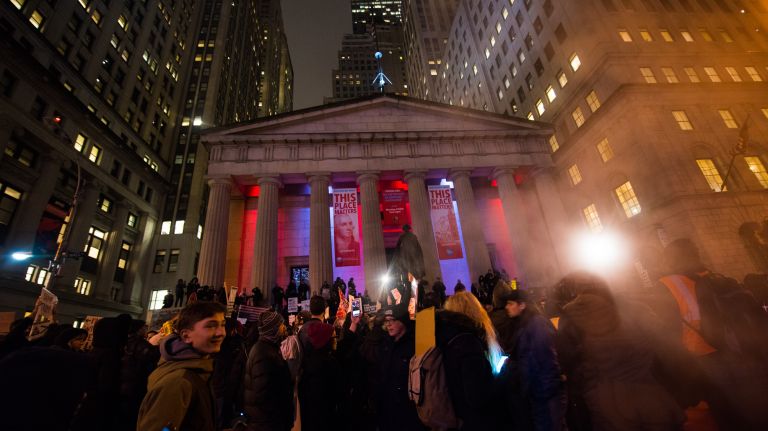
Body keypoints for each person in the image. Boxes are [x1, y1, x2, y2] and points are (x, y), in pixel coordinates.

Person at [655, 239, 768, 430]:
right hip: (743, 350)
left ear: (670, 258)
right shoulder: (717, 277)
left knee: (727, 411)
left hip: (704, 359)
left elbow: (667, 332)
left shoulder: (666, 285)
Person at [556, 273, 684, 431]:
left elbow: (569, 365)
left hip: (608, 404)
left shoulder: (570, 320)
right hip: (651, 396)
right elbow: (667, 348)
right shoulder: (634, 309)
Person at [136, 302, 226, 431]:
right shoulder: (179, 382)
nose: (220, 333)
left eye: (222, 325)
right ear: (186, 336)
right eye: (210, 326)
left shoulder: (199, 369)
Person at [496, 289, 567, 431]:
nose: (506, 307)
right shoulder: (522, 324)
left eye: (510, 304)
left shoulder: (536, 324)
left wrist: (545, 392)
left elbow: (547, 359)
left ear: (522, 305)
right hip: (537, 392)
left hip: (544, 393)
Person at [441, 292, 503, 429]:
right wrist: (502, 377)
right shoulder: (468, 344)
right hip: (477, 422)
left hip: (456, 419)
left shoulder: (447, 340)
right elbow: (477, 396)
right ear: (474, 312)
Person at [360, 304, 426, 431]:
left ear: (403, 321)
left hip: (406, 411)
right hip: (386, 408)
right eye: (387, 320)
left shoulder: (414, 346)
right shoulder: (385, 343)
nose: (389, 324)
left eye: (393, 320)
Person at [243, 311, 294, 431]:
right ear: (273, 329)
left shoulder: (268, 349)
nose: (285, 328)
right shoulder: (263, 353)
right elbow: (263, 394)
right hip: (268, 423)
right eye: (282, 326)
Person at [298, 316, 342, 430]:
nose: (335, 340)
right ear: (325, 341)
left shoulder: (305, 362)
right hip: (326, 418)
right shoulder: (330, 363)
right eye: (333, 337)